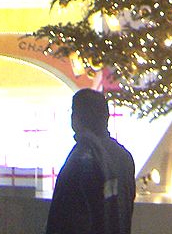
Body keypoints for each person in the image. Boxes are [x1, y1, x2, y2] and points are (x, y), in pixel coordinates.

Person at [46, 89, 136, 234]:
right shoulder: (124, 157)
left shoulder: (80, 160)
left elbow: (65, 219)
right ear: (106, 117)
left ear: (76, 118)